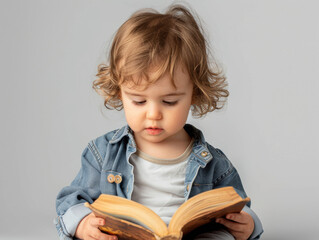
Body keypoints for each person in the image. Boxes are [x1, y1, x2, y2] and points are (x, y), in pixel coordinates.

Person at [55, 4, 263, 240]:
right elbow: (71, 200)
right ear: (119, 93)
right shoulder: (103, 154)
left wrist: (249, 225)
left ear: (194, 94)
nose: (153, 114)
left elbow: (237, 205)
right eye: (139, 101)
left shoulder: (213, 163)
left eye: (170, 101)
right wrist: (81, 224)